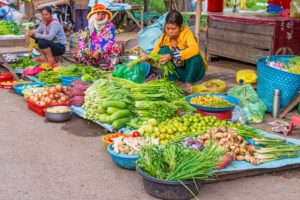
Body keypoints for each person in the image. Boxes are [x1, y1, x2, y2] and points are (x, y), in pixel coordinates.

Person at [142, 10, 208, 90]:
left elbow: (195, 49)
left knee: (195, 56)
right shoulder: (164, 38)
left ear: (181, 27)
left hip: (194, 73)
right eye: (168, 28)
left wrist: (171, 55)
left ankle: (188, 81)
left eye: (174, 29)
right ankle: (173, 80)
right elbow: (154, 57)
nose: (170, 31)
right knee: (163, 51)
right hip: (179, 74)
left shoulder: (186, 33)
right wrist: (147, 59)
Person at [72, 4, 122, 70]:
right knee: (76, 52)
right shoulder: (89, 27)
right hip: (92, 55)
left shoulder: (110, 26)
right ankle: (90, 65)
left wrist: (100, 51)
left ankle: (111, 67)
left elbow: (110, 41)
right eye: (98, 14)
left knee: (117, 46)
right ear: (94, 16)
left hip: (105, 55)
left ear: (106, 15)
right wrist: (85, 49)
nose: (100, 16)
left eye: (103, 14)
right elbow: (82, 40)